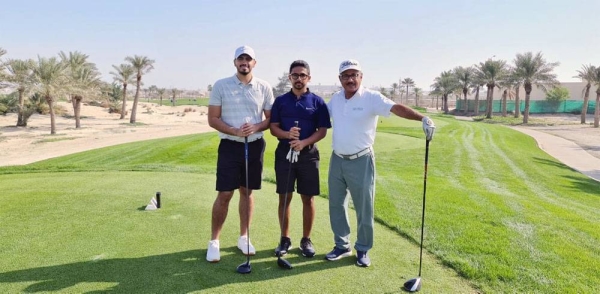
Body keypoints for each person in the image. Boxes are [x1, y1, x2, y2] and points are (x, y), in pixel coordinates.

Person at [325, 59, 436, 267]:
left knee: (364, 206)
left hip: (361, 160)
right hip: (337, 159)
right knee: (336, 204)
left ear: (361, 77)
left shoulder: (371, 97)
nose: (350, 79)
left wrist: (422, 118)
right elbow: (319, 117)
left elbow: (396, 108)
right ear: (340, 79)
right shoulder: (336, 99)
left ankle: (363, 248)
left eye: (354, 75)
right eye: (346, 75)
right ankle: (341, 245)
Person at [206, 45, 275, 263]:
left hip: (254, 145)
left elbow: (270, 119)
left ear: (254, 63)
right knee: (225, 194)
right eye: (240, 59)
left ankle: (244, 237)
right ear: (234, 62)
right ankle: (214, 241)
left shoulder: (264, 87)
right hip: (229, 145)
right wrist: (235, 130)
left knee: (247, 191)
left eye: (248, 59)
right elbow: (213, 119)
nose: (244, 62)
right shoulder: (221, 85)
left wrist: (256, 127)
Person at [269, 60, 331, 258]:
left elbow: (322, 131)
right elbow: (273, 128)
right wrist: (288, 135)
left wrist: (304, 143)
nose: (298, 79)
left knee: (308, 198)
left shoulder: (317, 102)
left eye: (302, 75)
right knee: (285, 197)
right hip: (284, 154)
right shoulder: (280, 101)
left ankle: (306, 239)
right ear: (290, 78)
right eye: (295, 75)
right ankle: (284, 239)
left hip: (309, 155)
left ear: (309, 78)